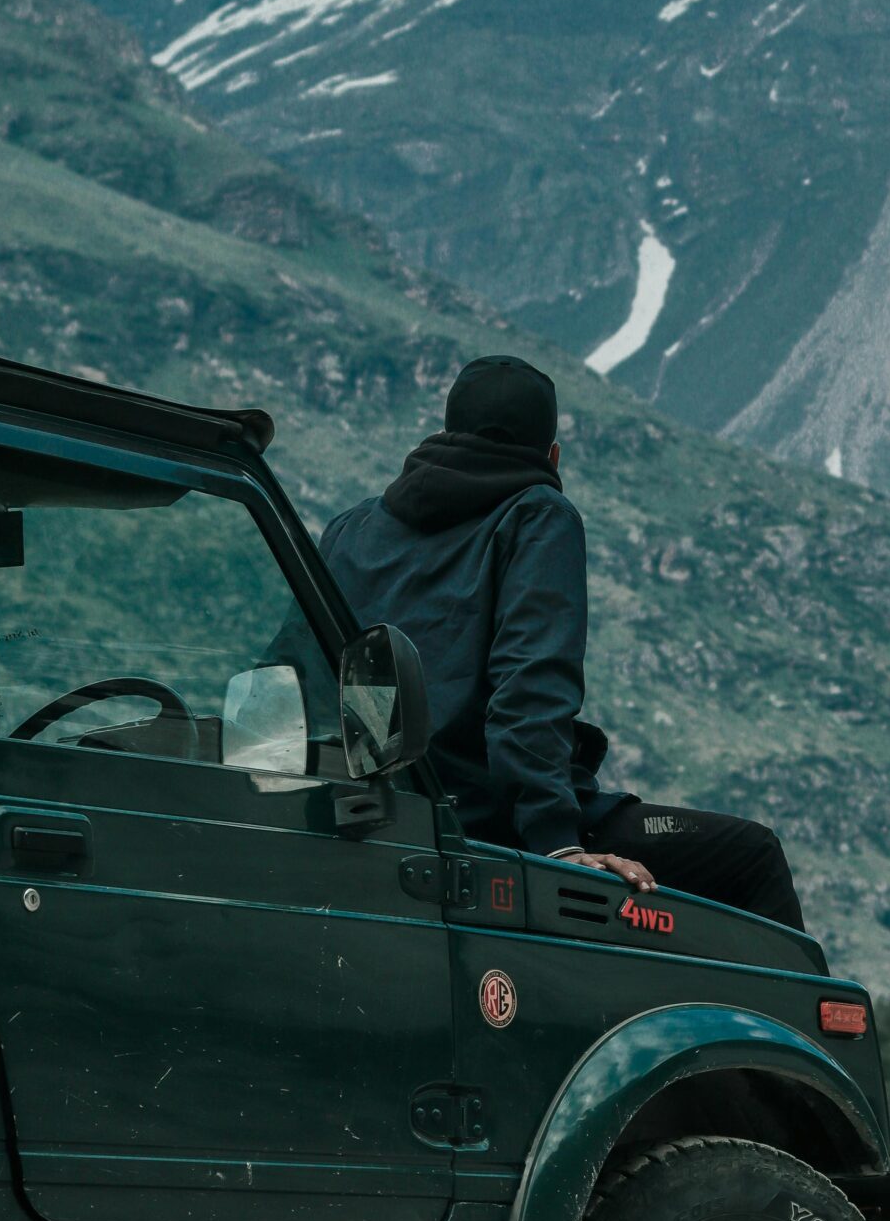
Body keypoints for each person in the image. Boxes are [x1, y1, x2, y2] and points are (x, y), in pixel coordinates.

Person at [320, 354, 805, 931]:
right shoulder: (536, 515)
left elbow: (299, 671)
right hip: (492, 818)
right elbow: (528, 692)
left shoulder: (349, 529)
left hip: (375, 811)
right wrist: (558, 845)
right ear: (552, 457)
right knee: (752, 855)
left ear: (443, 435)